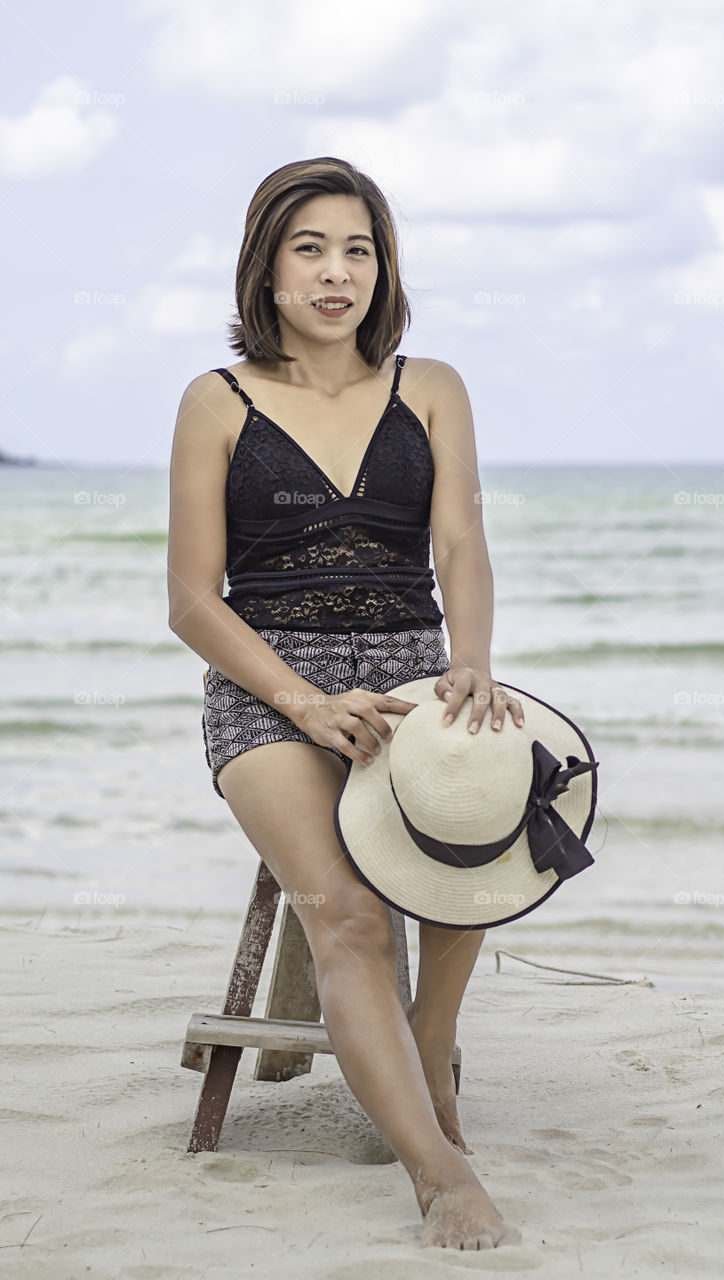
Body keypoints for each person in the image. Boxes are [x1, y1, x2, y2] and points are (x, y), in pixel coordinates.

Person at [166, 156, 524, 1250]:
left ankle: (428, 1042)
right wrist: (307, 703)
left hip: (419, 673)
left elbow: (460, 539)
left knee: (481, 838)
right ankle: (436, 1165)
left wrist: (471, 659)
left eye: (357, 249)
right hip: (269, 690)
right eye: (310, 248)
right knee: (354, 918)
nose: (337, 272)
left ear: (384, 266)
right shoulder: (216, 400)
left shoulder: (433, 385)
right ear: (265, 269)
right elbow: (191, 598)